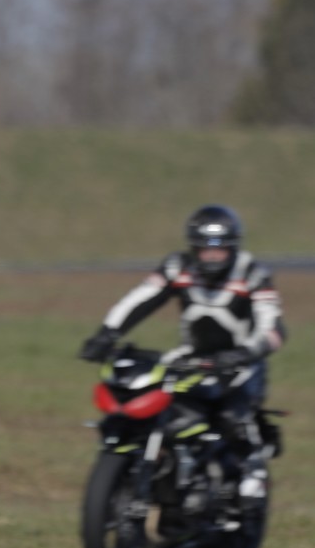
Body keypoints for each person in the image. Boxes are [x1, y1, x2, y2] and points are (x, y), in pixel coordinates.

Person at [78, 204, 285, 506]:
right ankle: (156, 471)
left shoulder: (252, 273)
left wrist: (244, 353)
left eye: (219, 250)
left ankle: (252, 474)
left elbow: (273, 328)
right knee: (151, 402)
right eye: (205, 249)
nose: (211, 257)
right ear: (193, 247)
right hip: (191, 358)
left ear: (232, 247)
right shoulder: (178, 267)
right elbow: (141, 299)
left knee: (232, 416)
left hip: (242, 363)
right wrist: (107, 333)